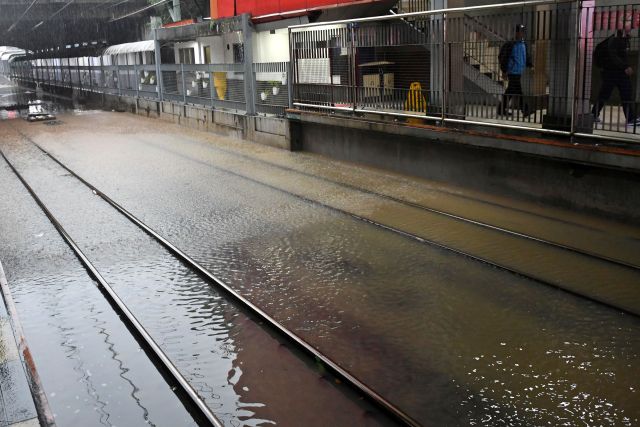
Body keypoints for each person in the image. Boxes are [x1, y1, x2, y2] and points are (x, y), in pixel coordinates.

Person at [592, 29, 640, 128]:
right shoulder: (616, 39)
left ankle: (630, 118)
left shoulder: (622, 39)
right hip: (613, 72)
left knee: (619, 93)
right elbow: (613, 55)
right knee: (610, 94)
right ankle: (630, 119)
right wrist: (625, 66)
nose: (630, 29)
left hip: (615, 72)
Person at [498, 24, 533, 118]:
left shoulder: (523, 44)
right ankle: (525, 110)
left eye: (522, 31)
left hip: (519, 71)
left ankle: (500, 109)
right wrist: (504, 70)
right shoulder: (510, 44)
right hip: (512, 72)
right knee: (518, 91)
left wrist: (530, 64)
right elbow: (503, 57)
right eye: (520, 31)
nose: (522, 33)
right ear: (516, 33)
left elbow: (526, 55)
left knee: (510, 91)